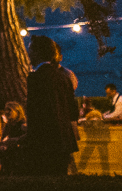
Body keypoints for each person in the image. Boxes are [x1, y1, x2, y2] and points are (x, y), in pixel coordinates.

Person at [24, 35, 80, 175]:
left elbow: (35, 113)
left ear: (37, 52)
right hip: (64, 141)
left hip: (44, 141)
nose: (28, 53)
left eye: (30, 49)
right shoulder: (64, 77)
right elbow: (73, 111)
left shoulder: (35, 78)